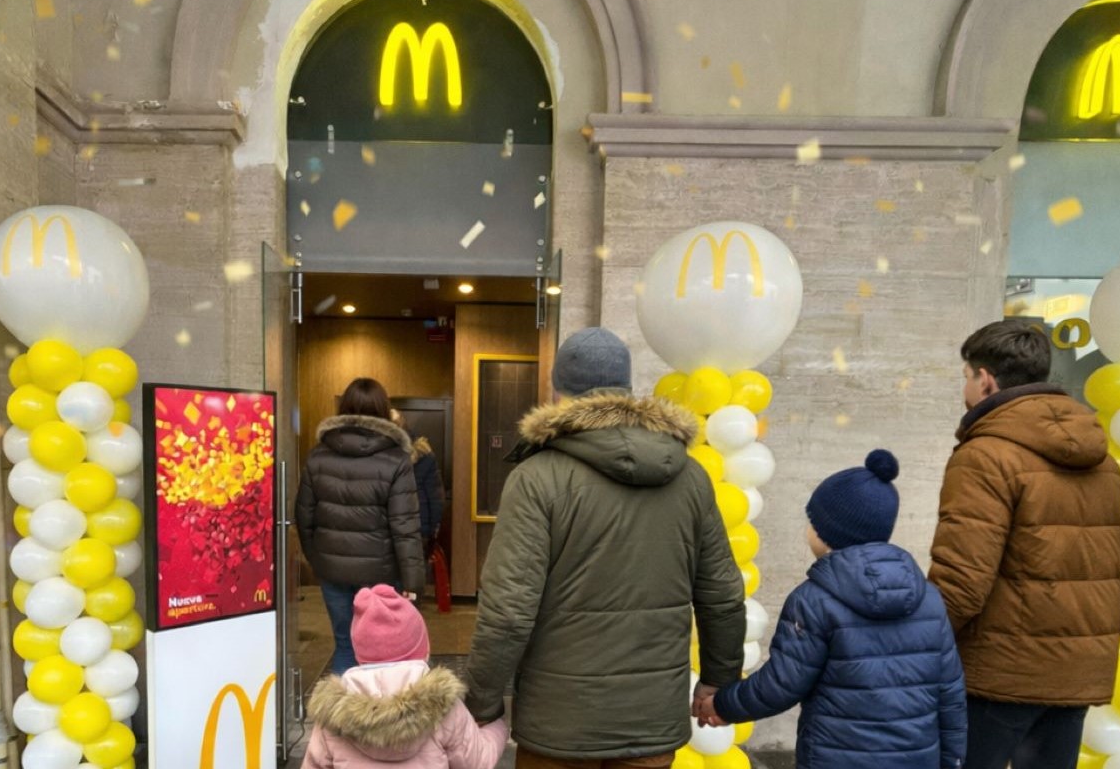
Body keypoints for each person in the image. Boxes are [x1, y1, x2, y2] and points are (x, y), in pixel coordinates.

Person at [463, 327, 746, 769]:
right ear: (628, 389)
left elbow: (509, 612)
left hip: (559, 724)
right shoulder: (690, 477)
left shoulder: (536, 478)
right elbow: (723, 595)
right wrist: (717, 680)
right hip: (651, 719)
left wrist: (481, 702)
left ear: (557, 392)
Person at [928, 320, 1120, 769]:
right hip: (1073, 677)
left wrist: (920, 648)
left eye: (966, 377)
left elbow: (962, 582)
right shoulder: (1103, 462)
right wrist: (1088, 652)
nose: (965, 388)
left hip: (998, 676)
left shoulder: (985, 455)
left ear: (985, 379)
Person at [695, 449, 967, 769]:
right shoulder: (928, 599)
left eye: (812, 521)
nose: (807, 529)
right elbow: (950, 693)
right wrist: (952, 760)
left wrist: (722, 705)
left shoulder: (814, 600)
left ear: (828, 532)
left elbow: (781, 684)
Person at [296, 378, 426, 674]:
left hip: (333, 572)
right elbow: (405, 527)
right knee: (383, 651)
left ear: (344, 408)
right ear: (383, 410)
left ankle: (345, 706)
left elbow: (303, 516)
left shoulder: (318, 456)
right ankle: (377, 705)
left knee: (345, 645)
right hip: (382, 574)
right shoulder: (397, 460)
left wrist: (319, 561)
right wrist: (413, 582)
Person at [303, 584, 508, 769]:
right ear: (423, 651)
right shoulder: (444, 708)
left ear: (359, 655)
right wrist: (499, 726)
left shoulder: (333, 718)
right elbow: (478, 762)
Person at [392, 409, 447, 563]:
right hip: (418, 529)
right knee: (415, 572)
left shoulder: (379, 456)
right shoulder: (424, 454)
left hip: (385, 531)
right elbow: (435, 497)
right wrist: (433, 531)